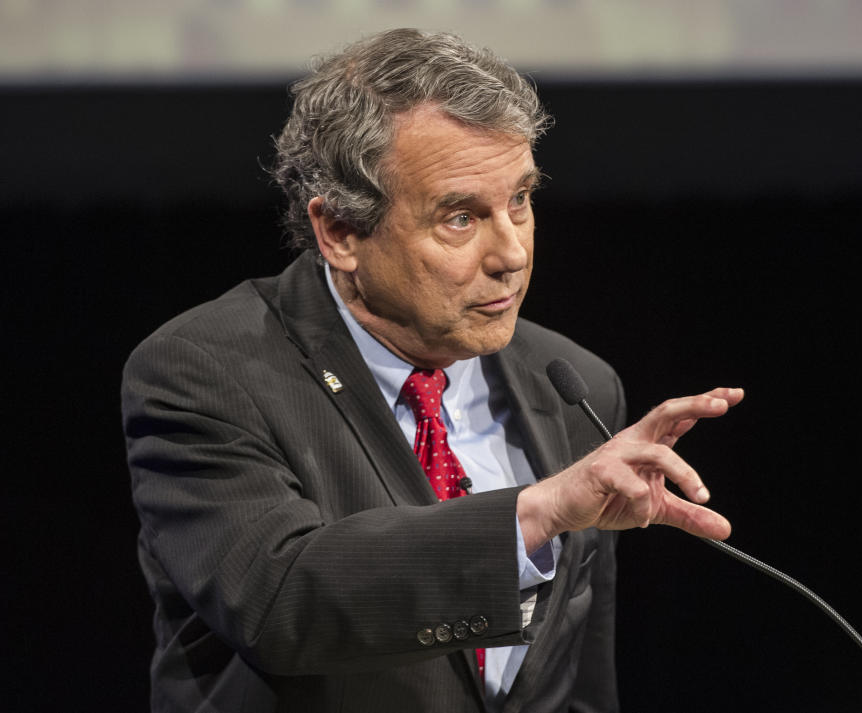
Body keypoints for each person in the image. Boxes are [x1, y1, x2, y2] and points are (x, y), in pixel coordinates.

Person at [122, 28, 742, 713]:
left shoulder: (573, 386)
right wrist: (534, 515)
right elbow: (282, 601)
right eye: (459, 217)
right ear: (341, 233)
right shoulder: (207, 370)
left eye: (520, 200)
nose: (511, 251)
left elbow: (576, 683)